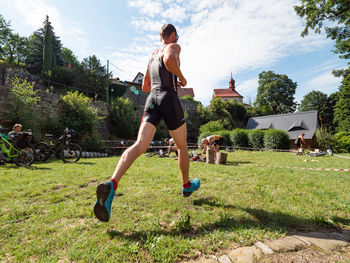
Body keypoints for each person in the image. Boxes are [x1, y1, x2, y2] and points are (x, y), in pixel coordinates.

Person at [94, 24, 200, 222]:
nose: (177, 42)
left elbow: (145, 86)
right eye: (176, 38)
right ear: (173, 35)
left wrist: (168, 75)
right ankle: (186, 186)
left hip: (152, 99)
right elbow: (169, 59)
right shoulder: (173, 47)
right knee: (182, 147)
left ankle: (112, 184)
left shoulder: (152, 55)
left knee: (140, 145)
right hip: (168, 97)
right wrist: (182, 79)